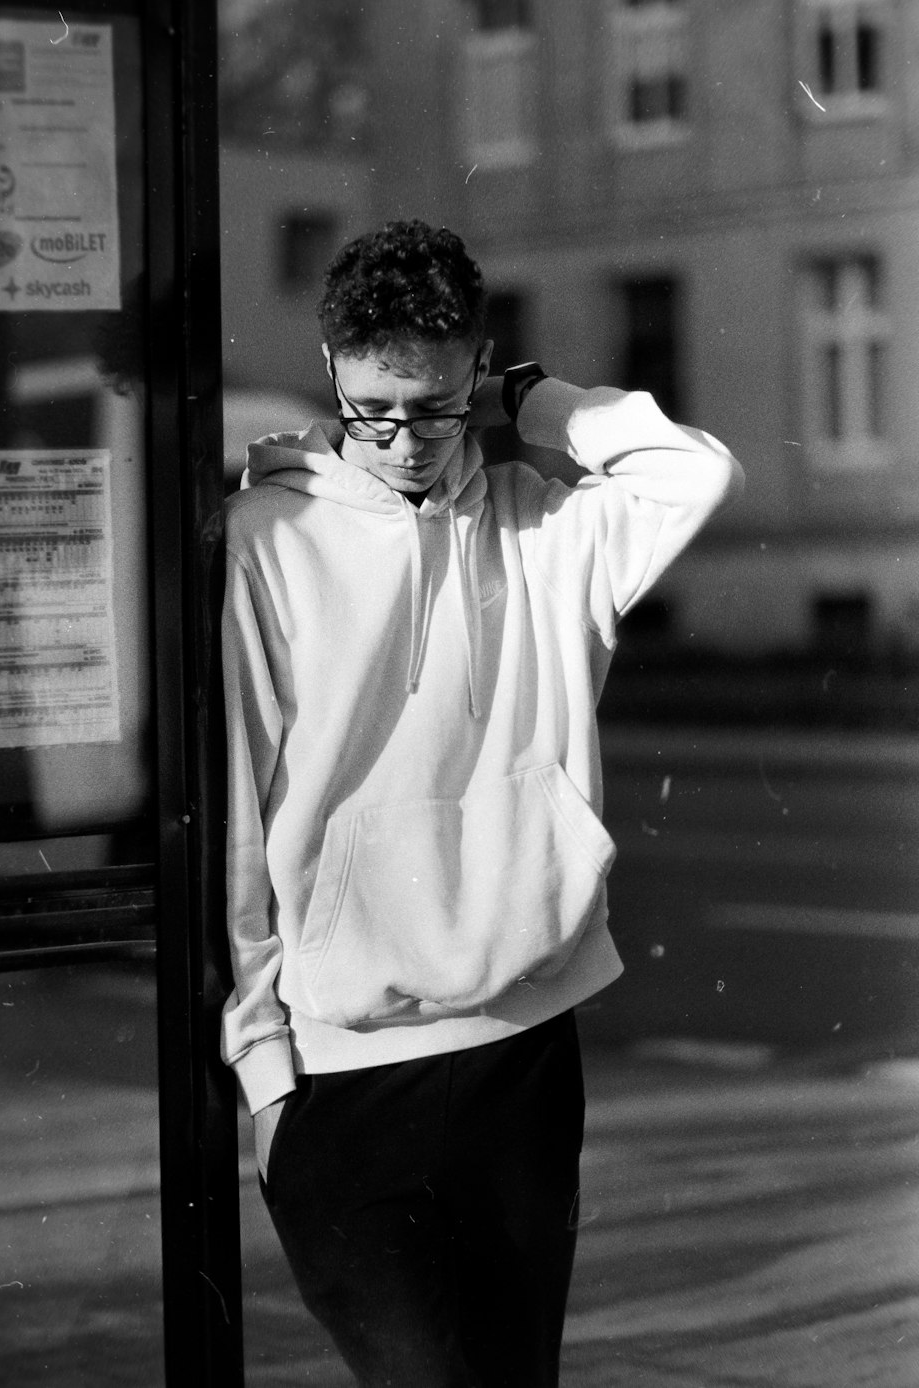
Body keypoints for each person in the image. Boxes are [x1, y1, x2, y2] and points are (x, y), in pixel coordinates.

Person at [221, 218, 743, 1387]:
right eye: (373, 412)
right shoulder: (272, 540)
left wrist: (532, 397)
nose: (406, 442)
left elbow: (695, 470)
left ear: (479, 369)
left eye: (441, 406)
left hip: (523, 1056)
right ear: (333, 376)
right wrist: (264, 1080)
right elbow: (239, 823)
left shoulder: (549, 531)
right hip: (345, 1079)